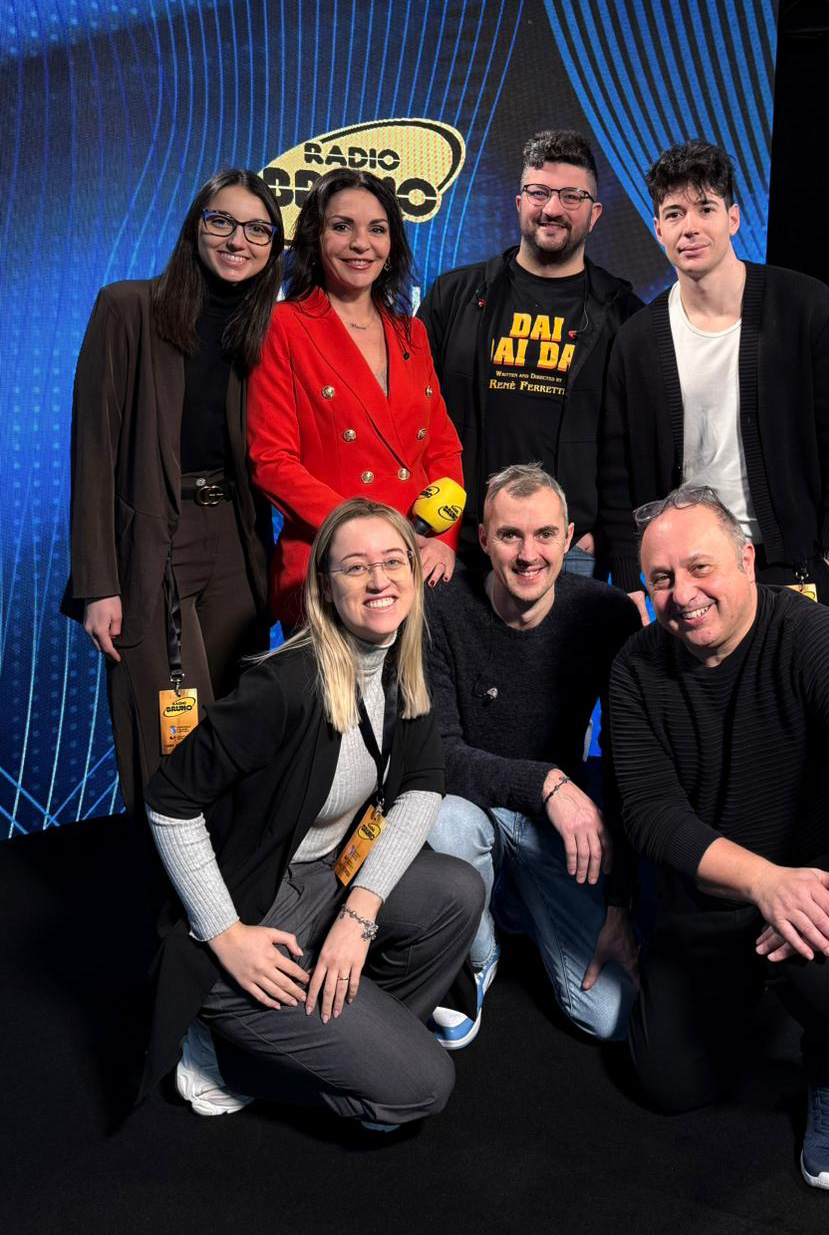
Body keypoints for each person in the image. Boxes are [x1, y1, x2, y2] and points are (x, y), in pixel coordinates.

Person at [608, 486, 829, 1191]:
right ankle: (753, 979)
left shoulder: (810, 634)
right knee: (665, 1083)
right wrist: (763, 882)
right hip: (715, 890)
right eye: (661, 578)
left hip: (816, 876)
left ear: (747, 559)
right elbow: (650, 813)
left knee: (828, 969)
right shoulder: (635, 665)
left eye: (700, 567)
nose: (682, 594)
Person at [141, 498, 484, 1129]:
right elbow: (168, 803)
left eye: (393, 562)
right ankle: (229, 1057)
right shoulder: (284, 686)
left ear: (414, 572)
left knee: (457, 890)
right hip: (254, 915)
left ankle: (350, 1035)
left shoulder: (400, 661)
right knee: (422, 1087)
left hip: (325, 881)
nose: (379, 580)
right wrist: (225, 934)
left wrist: (360, 913)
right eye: (356, 567)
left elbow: (423, 783)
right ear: (325, 587)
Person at [62, 169, 283, 817]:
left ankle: (229, 874)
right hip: (153, 539)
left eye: (257, 229)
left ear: (274, 247)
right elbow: (93, 453)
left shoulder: (268, 328)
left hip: (237, 542)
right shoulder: (127, 308)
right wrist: (98, 584)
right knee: (167, 738)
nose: (238, 240)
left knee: (237, 724)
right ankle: (169, 876)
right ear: (195, 226)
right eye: (222, 221)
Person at [423, 463, 641, 1046]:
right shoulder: (441, 608)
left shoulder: (606, 614)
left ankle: (514, 897)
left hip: (553, 828)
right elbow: (439, 754)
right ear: (482, 539)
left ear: (568, 538)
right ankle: (478, 952)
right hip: (471, 806)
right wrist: (548, 783)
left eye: (544, 534)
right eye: (509, 535)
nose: (528, 554)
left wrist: (619, 905)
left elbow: (625, 764)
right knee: (444, 822)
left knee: (612, 1017)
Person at [600, 140, 829, 615]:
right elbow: (616, 470)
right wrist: (629, 576)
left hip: (792, 565)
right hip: (687, 571)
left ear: (733, 218)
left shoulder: (806, 307)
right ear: (658, 229)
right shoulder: (636, 340)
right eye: (675, 214)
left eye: (706, 208)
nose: (691, 227)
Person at [418, 130, 642, 576]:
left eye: (572, 196)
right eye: (539, 192)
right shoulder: (453, 296)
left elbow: (635, 445)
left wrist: (611, 539)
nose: (552, 208)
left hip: (568, 549)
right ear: (519, 201)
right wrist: (430, 529)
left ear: (595, 214)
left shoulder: (624, 316)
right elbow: (412, 417)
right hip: (458, 543)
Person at [248, 168, 463, 628]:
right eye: (342, 226)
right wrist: (362, 534)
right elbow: (272, 461)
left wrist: (443, 540)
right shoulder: (283, 326)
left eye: (377, 229)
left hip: (412, 566)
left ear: (392, 246)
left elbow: (443, 450)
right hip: (330, 567)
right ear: (315, 238)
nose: (361, 244)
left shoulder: (413, 332)